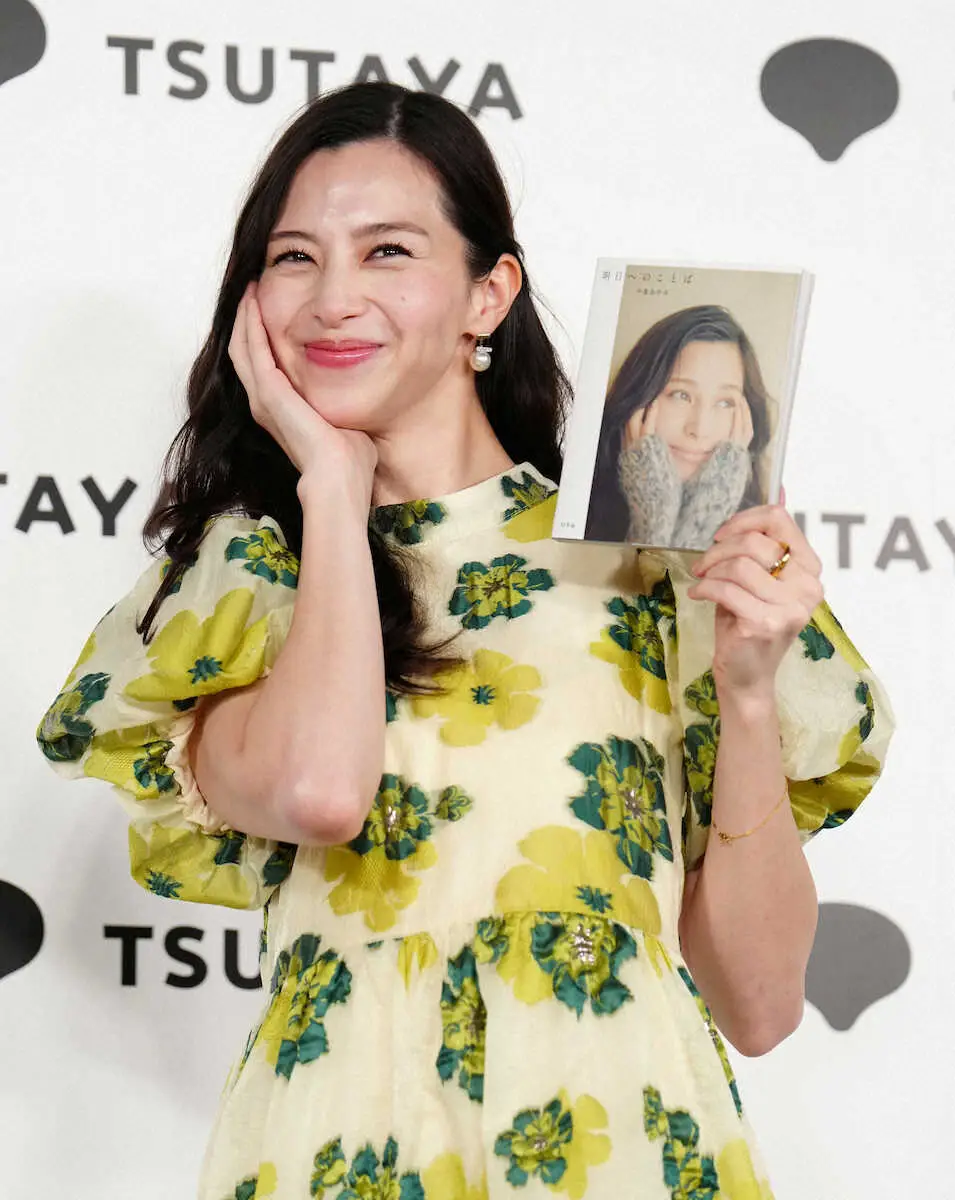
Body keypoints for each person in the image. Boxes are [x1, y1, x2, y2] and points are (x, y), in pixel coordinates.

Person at [36, 82, 892, 1200]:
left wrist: (745, 693)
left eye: (387, 251)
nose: (332, 299)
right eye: (293, 258)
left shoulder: (648, 566)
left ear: (488, 295)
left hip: (615, 1147)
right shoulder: (246, 583)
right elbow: (320, 795)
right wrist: (330, 488)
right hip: (342, 1145)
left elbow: (763, 1003)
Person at [586, 306, 773, 549]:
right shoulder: (572, 500)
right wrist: (651, 521)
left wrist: (708, 513)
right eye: (681, 395)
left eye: (724, 402)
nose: (699, 429)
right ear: (639, 398)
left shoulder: (770, 519)